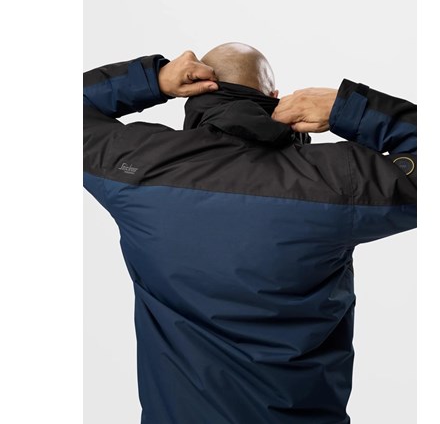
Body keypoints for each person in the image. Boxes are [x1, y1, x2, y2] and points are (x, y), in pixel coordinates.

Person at [83, 42, 417, 424]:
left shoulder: (136, 164)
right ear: (274, 97)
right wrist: (346, 108)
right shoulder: (334, 180)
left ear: (192, 93)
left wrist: (153, 79)